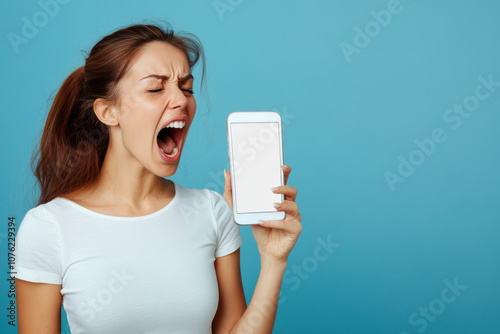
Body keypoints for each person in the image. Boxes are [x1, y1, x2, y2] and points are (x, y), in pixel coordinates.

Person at [14, 24, 302, 334]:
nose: (181, 100)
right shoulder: (48, 227)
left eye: (186, 88)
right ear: (108, 111)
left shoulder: (212, 211)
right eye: (156, 88)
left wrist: (274, 261)